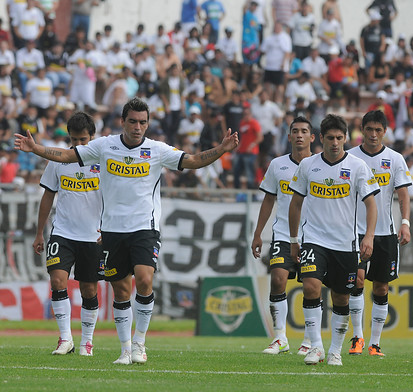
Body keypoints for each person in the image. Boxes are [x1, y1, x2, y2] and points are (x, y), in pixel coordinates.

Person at [14, 97, 239, 365]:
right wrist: (35, 148)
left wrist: (221, 149)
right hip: (111, 231)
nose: (137, 127)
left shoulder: (157, 150)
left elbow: (191, 160)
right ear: (123, 122)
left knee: (144, 279)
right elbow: (65, 156)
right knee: (120, 290)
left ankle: (139, 343)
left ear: (148, 124)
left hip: (145, 227)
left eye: (143, 122)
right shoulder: (104, 146)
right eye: (132, 121)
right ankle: (125, 349)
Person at [288, 114, 379, 366]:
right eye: (330, 138)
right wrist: (295, 239)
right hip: (314, 240)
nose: (335, 143)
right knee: (310, 287)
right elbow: (295, 204)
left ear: (346, 138)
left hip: (345, 244)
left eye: (340, 138)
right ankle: (315, 346)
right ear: (321, 139)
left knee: (341, 298)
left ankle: (335, 350)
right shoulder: (308, 165)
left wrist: (368, 236)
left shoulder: (358, 167)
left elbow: (372, 205)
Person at [33, 112, 101, 357]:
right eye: (74, 140)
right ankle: (65, 339)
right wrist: (40, 232)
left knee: (89, 290)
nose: (79, 145)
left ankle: (87, 342)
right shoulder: (59, 160)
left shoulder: (102, 160)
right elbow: (48, 195)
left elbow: (115, 197)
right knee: (58, 281)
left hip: (93, 236)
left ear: (92, 137)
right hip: (63, 233)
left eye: (83, 140)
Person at [346, 110, 411, 357]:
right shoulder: (350, 157)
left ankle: (375, 343)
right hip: (356, 232)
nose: (373, 135)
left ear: (385, 132)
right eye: (369, 129)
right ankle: (357, 338)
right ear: (362, 130)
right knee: (358, 281)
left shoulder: (395, 159)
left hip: (386, 233)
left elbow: (403, 194)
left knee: (381, 288)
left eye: (378, 130)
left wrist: (405, 222)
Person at [251, 116, 315, 356]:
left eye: (304, 131)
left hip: (313, 236)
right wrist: (258, 233)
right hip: (283, 235)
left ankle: (309, 340)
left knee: (311, 286)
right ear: (288, 137)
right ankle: (280, 338)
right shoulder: (277, 165)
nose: (299, 135)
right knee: (278, 279)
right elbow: (269, 199)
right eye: (295, 131)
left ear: (312, 137)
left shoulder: (320, 165)